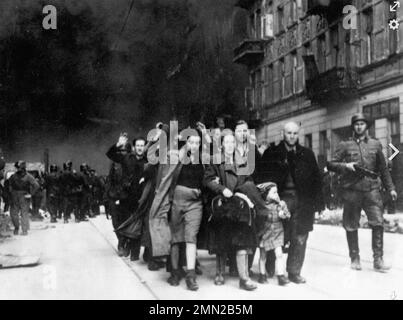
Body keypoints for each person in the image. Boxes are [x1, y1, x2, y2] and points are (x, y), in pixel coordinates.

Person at [328, 113, 397, 273]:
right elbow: (331, 163)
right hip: (352, 191)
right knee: (351, 225)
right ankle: (355, 258)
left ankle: (378, 260)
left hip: (372, 190)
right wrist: (346, 166)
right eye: (356, 124)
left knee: (378, 223)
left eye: (362, 124)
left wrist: (391, 187)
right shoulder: (345, 145)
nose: (359, 126)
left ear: (366, 126)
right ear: (353, 127)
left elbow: (383, 169)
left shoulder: (375, 144)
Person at [259, 122, 324, 284]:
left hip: (303, 201)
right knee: (276, 234)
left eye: (295, 133)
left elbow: (317, 179)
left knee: (300, 236)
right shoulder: (271, 153)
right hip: (278, 201)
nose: (292, 136)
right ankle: (270, 265)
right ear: (282, 134)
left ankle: (294, 272)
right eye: (289, 133)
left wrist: (319, 203)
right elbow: (262, 178)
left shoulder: (307, 154)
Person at [204, 131, 258, 291]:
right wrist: (221, 189)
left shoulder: (242, 162)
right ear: (221, 145)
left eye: (232, 142)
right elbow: (207, 180)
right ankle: (219, 273)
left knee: (243, 239)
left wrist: (244, 193)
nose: (230, 145)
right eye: (226, 142)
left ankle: (244, 278)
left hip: (239, 203)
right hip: (223, 204)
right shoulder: (215, 161)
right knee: (221, 239)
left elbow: (248, 180)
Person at [166, 132, 205, 291]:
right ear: (186, 143)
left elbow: (208, 178)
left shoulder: (203, 160)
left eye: (197, 143)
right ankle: (175, 272)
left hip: (195, 203)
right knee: (175, 238)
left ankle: (190, 276)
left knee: (191, 237)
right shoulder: (177, 157)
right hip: (177, 200)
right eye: (192, 142)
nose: (194, 146)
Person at [107, 135, 147, 261]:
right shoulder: (127, 158)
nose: (140, 148)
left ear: (145, 147)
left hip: (140, 197)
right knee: (125, 223)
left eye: (142, 146)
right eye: (138, 146)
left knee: (138, 225)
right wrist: (118, 144)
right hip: (126, 197)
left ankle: (135, 253)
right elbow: (110, 154)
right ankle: (124, 244)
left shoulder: (148, 160)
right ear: (134, 148)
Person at [257, 182, 290, 286]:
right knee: (263, 255)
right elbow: (259, 218)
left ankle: (281, 276)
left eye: (277, 192)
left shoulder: (281, 204)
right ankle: (262, 275)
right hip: (265, 232)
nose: (276, 195)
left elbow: (287, 215)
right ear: (266, 194)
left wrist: (283, 214)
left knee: (279, 254)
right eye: (274, 192)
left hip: (277, 231)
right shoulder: (262, 205)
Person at [8, 161, 40, 236]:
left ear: (23, 168)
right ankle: (17, 228)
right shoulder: (14, 176)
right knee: (14, 213)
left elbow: (36, 186)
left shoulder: (28, 176)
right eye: (17, 168)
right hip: (16, 196)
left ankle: (23, 230)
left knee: (23, 213)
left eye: (19, 168)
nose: (18, 169)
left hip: (23, 196)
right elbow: (9, 185)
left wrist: (31, 194)